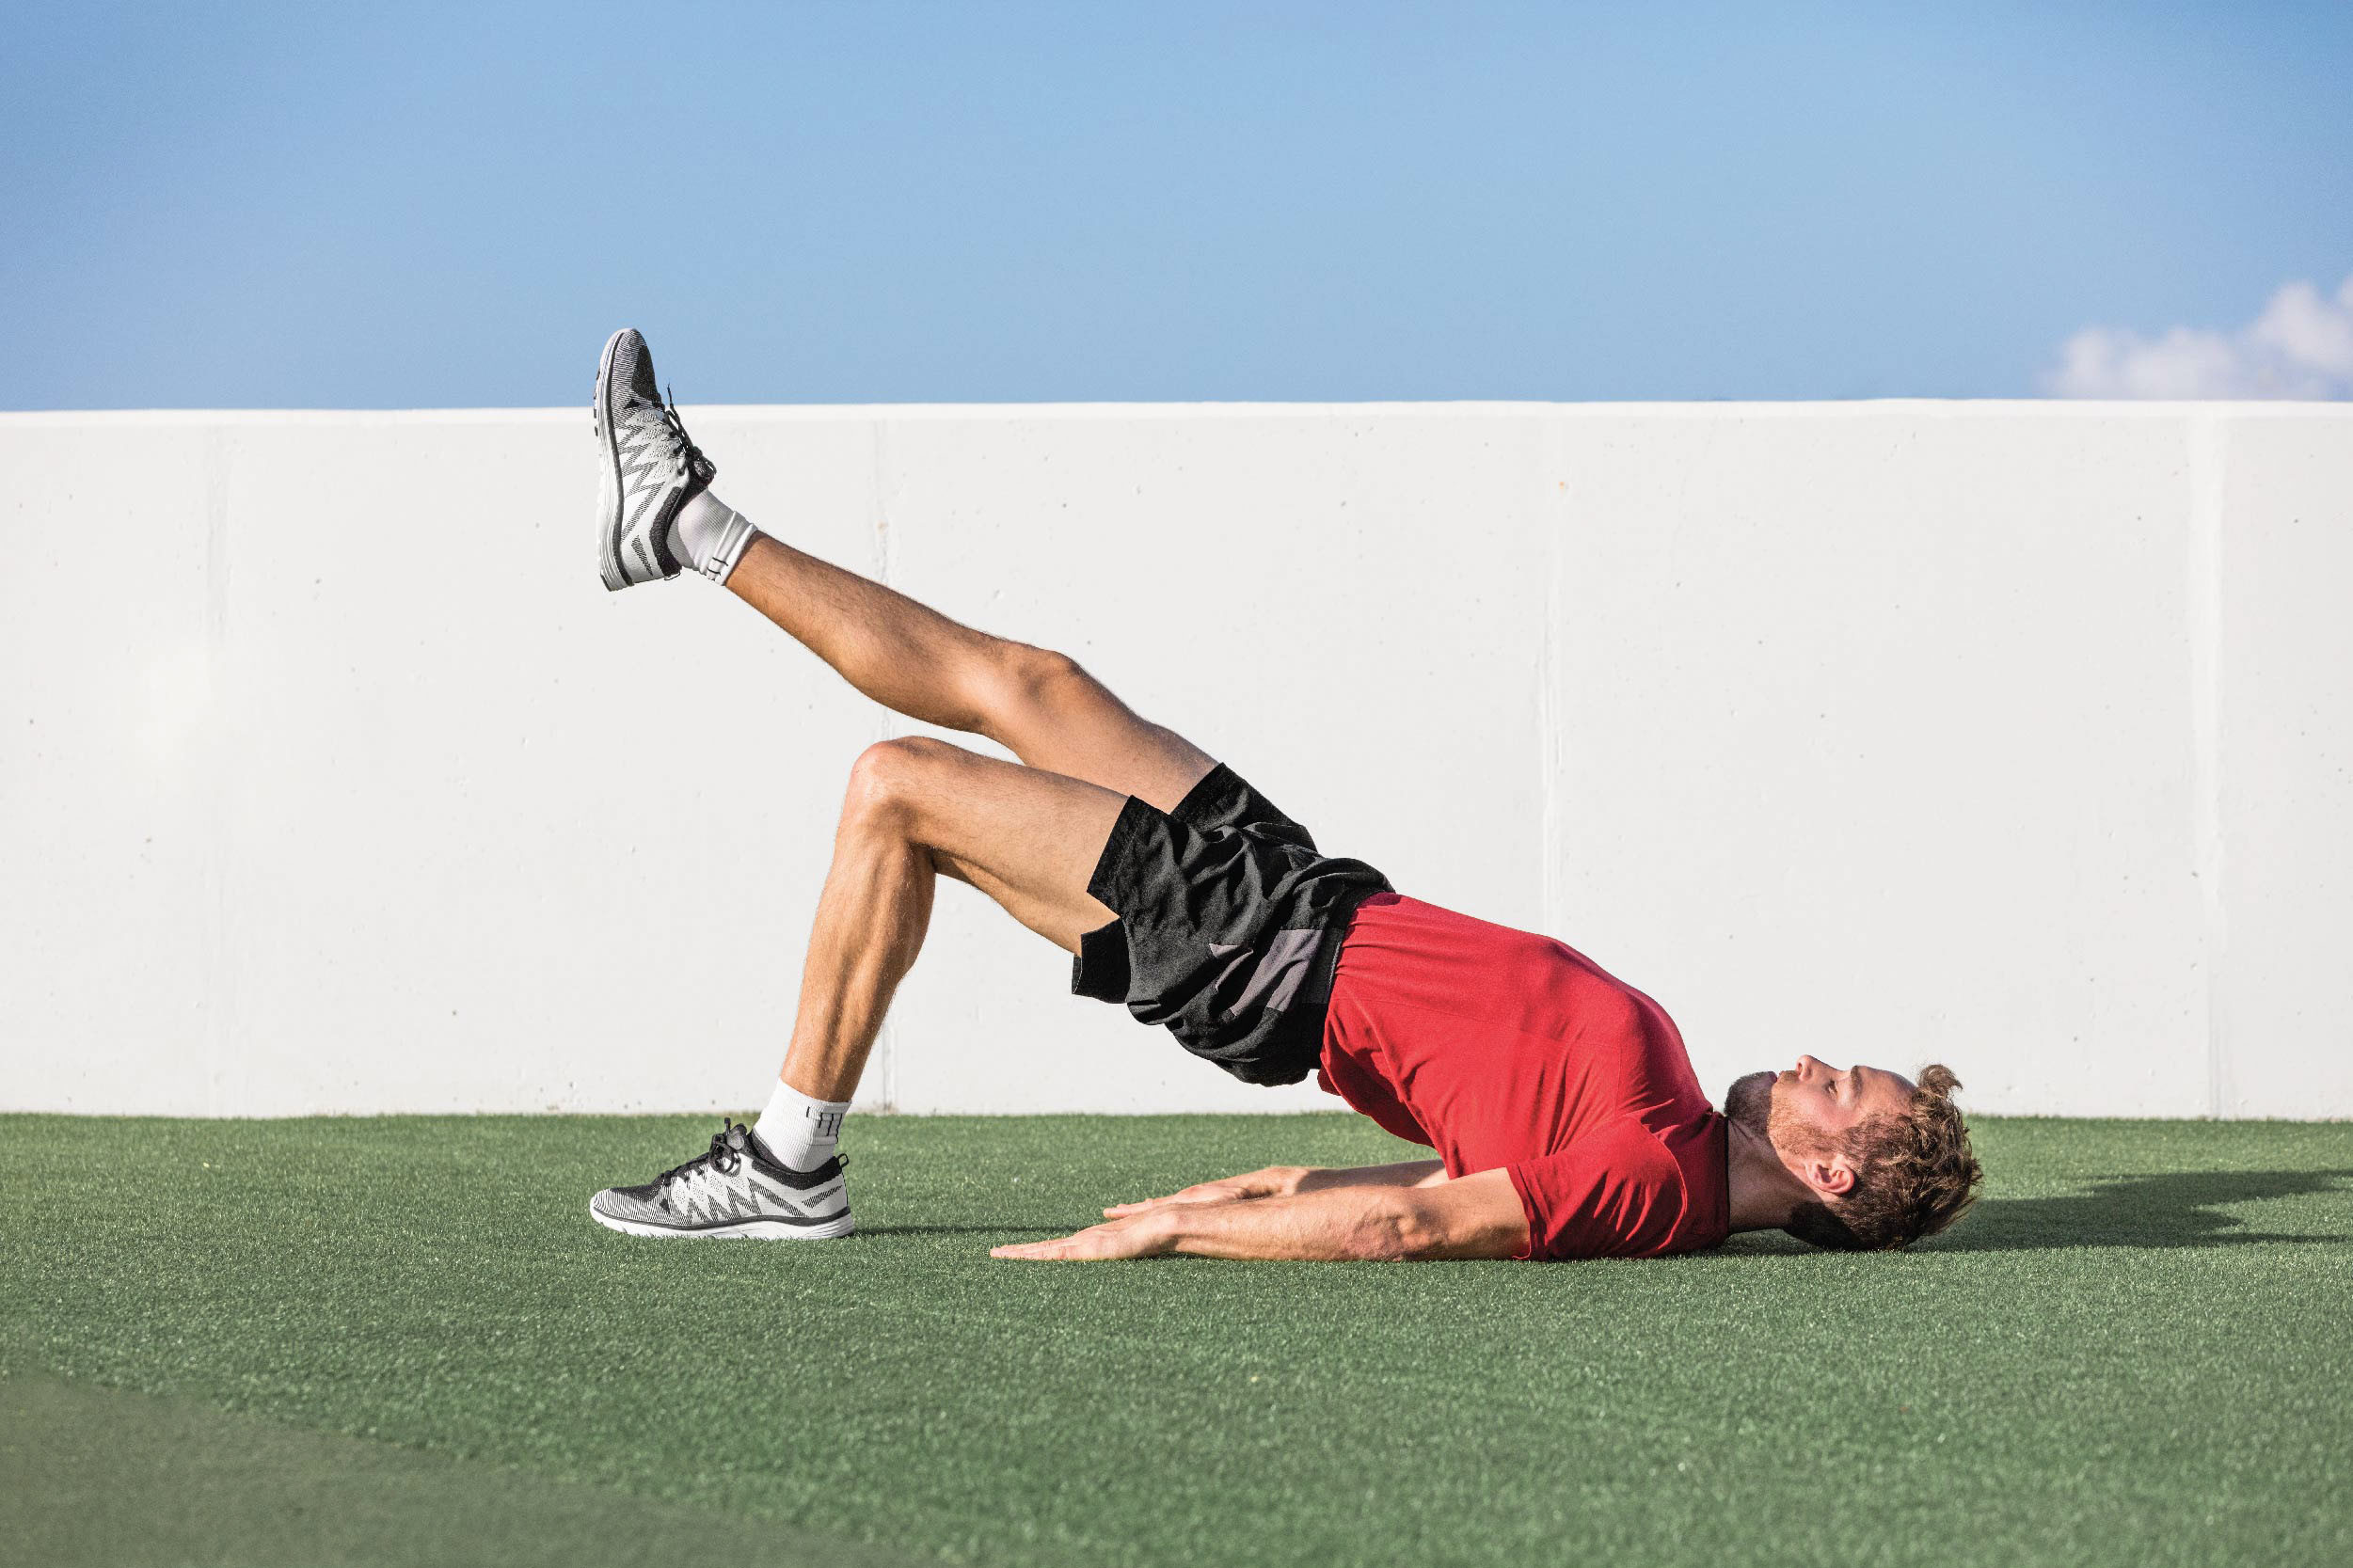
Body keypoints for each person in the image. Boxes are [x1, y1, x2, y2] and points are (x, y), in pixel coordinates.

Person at [584, 328, 1984, 1261]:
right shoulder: (1669, 1117)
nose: (1814, 1062)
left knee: (896, 789)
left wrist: (1179, 1231)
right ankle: (684, 523)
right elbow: (1435, 1180)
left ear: (1834, 1175)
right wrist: (1282, 1186)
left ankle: (789, 1163)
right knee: (1031, 681)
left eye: (1839, 1087)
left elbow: (1425, 1231)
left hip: (1255, 955)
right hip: (1304, 892)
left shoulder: (1658, 1184)